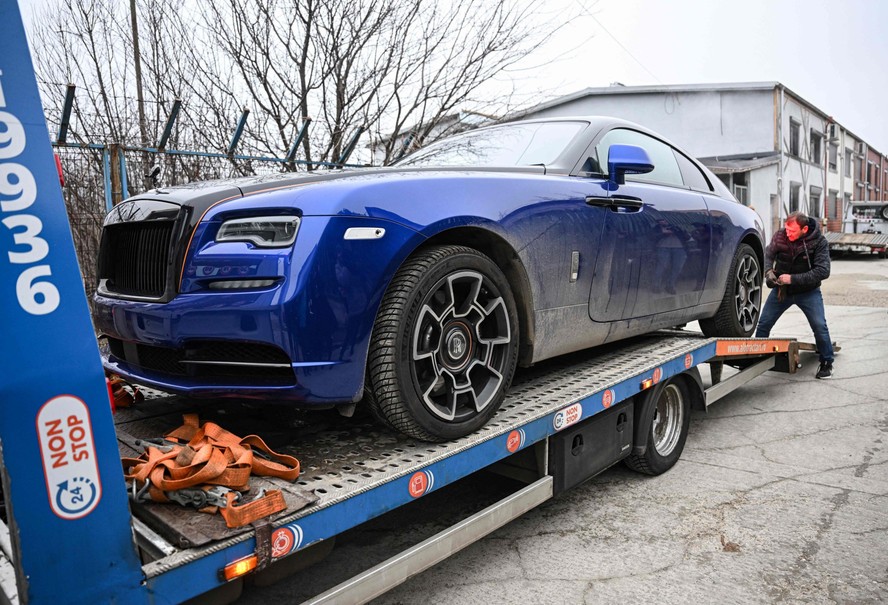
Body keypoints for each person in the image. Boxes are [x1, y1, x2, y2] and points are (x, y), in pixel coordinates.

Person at [755, 211, 834, 378]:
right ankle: (756, 358)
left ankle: (827, 362)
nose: (787, 233)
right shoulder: (780, 236)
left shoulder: (819, 242)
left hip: (808, 292)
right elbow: (768, 254)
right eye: (786, 229)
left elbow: (823, 271)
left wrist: (793, 279)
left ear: (804, 229)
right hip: (781, 291)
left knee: (819, 326)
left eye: (792, 230)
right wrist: (768, 272)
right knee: (763, 324)